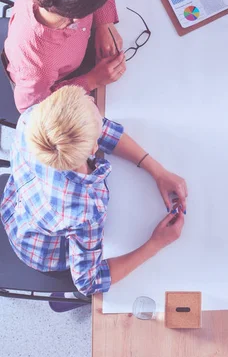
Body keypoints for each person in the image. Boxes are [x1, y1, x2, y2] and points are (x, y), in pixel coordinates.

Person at [0, 85, 188, 296]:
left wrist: (157, 171)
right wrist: (155, 244)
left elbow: (92, 130)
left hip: (15, 208)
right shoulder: (84, 210)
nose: (92, 99)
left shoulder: (33, 118)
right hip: (42, 252)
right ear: (92, 149)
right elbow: (89, 282)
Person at [4, 0, 126, 113]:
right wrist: (91, 80)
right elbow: (33, 109)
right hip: (52, 85)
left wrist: (104, 23)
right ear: (78, 18)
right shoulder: (39, 67)